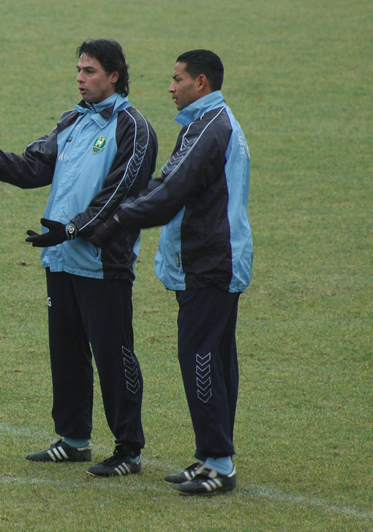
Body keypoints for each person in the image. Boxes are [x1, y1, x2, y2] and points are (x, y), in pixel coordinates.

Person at [0, 39, 158, 478]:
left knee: (114, 355)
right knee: (67, 352)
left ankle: (129, 449)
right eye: (78, 70)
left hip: (103, 259)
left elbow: (121, 192)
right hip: (60, 256)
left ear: (114, 75)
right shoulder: (71, 121)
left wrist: (75, 228)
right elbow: (32, 169)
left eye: (90, 71)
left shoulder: (134, 128)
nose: (80, 78)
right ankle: (74, 439)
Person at [89, 49, 253, 494]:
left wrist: (116, 222)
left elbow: (171, 192)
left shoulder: (209, 129)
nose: (170, 86)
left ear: (201, 83)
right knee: (216, 359)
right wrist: (124, 210)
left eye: (178, 79)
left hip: (210, 264)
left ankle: (218, 462)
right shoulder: (211, 125)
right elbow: (168, 183)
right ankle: (211, 456)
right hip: (217, 261)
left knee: (200, 357)